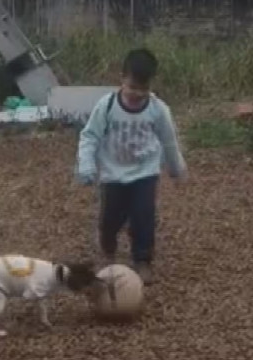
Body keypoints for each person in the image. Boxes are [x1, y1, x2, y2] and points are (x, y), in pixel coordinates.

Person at [75, 48, 187, 285]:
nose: (137, 94)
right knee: (110, 218)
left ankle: (142, 259)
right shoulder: (106, 106)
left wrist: (176, 167)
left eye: (143, 89)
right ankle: (108, 247)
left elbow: (168, 140)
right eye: (132, 87)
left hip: (145, 172)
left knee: (143, 215)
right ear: (121, 78)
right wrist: (86, 166)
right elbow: (90, 136)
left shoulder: (158, 109)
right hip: (113, 174)